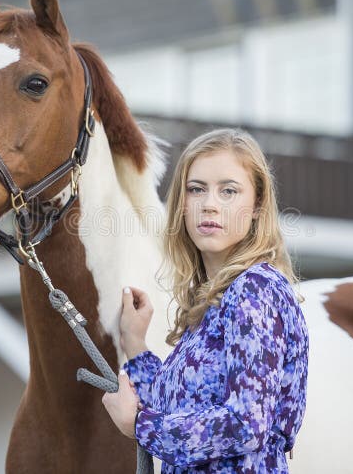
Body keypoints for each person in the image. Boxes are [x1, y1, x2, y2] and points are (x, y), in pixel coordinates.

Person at [102, 128, 309, 473]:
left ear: (257, 205)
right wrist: (135, 344)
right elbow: (179, 409)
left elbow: (246, 424)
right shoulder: (215, 301)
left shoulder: (255, 288)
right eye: (196, 189)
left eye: (228, 191)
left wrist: (140, 425)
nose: (209, 204)